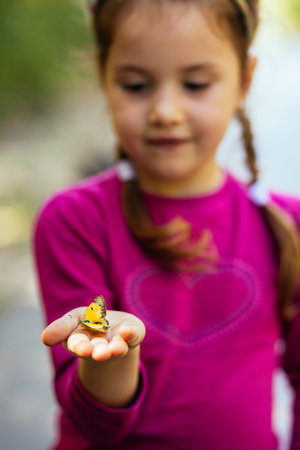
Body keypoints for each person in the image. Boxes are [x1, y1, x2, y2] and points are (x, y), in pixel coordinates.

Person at [33, 0, 300, 449]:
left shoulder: (287, 226)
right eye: (136, 85)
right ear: (104, 77)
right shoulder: (72, 221)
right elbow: (92, 423)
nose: (165, 111)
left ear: (244, 81)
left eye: (196, 84)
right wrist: (112, 353)